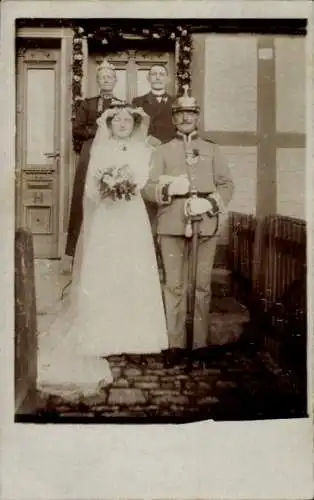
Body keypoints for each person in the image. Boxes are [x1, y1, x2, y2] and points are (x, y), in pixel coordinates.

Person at [37, 104, 168, 398]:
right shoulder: (101, 149)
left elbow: (146, 181)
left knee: (133, 271)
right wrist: (108, 186)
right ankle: (104, 336)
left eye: (127, 120)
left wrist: (128, 184)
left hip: (132, 216)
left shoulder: (142, 149)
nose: (122, 124)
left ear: (134, 123)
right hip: (108, 216)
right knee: (106, 271)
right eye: (117, 120)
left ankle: (138, 338)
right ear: (109, 124)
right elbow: (91, 189)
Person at [142, 87, 235, 366]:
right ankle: (175, 344)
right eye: (180, 113)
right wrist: (168, 188)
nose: (185, 117)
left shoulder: (212, 149)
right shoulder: (162, 150)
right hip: (172, 224)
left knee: (202, 286)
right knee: (174, 285)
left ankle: (199, 344)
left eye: (191, 113)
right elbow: (147, 187)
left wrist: (211, 204)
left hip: (205, 223)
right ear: (173, 118)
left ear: (197, 117)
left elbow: (227, 184)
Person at [65, 59, 123, 266]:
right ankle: (77, 252)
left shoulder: (121, 104)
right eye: (102, 77)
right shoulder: (87, 104)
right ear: (98, 81)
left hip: (113, 153)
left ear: (115, 80)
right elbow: (77, 129)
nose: (106, 80)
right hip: (90, 152)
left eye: (110, 77)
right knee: (85, 195)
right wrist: (98, 131)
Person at [132, 64, 177, 273]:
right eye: (153, 74)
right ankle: (148, 262)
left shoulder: (176, 102)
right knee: (148, 203)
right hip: (146, 158)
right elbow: (133, 129)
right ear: (148, 79)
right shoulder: (138, 102)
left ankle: (167, 259)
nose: (157, 77)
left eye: (161, 74)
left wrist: (165, 144)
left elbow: (182, 128)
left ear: (167, 79)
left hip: (169, 158)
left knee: (167, 205)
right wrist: (148, 139)